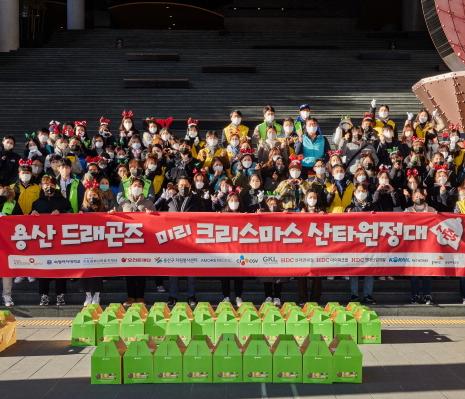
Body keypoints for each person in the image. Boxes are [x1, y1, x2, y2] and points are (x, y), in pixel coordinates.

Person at [31, 175, 72, 306]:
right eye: (45, 184)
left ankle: (60, 295)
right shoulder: (36, 203)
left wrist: (61, 212)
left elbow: (72, 214)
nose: (48, 186)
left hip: (60, 241)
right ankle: (44, 295)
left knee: (60, 268)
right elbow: (28, 222)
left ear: (56, 185)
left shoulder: (63, 201)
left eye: (51, 184)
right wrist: (31, 215)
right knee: (43, 269)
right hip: (43, 242)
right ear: (42, 186)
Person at [168, 177, 206, 307]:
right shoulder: (170, 199)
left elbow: (204, 215)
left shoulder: (196, 199)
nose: (183, 187)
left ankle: (191, 296)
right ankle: (173, 296)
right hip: (174, 239)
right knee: (173, 270)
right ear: (177, 186)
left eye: (186, 185)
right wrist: (162, 198)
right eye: (181, 185)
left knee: (191, 270)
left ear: (190, 186)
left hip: (191, 239)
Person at [119, 177, 154, 305]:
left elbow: (157, 221)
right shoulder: (124, 203)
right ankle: (130, 296)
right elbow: (117, 220)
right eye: (135, 185)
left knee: (141, 271)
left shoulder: (148, 203)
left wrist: (152, 215)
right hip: (128, 243)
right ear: (130, 187)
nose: (137, 187)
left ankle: (140, 297)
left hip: (143, 242)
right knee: (129, 272)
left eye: (139, 185)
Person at [405, 188, 436, 305]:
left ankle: (427, 295)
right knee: (414, 273)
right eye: (416, 196)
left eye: (420, 195)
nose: (418, 197)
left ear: (424, 196)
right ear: (412, 198)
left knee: (427, 271)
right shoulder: (407, 210)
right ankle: (415, 295)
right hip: (413, 247)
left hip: (428, 247)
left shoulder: (432, 210)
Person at [347, 183, 376, 304]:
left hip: (369, 242)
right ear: (354, 193)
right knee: (354, 270)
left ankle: (368, 295)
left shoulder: (372, 206)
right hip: (354, 243)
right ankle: (354, 295)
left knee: (369, 270)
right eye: (359, 190)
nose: (361, 193)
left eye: (364, 190)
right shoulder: (350, 207)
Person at [80, 181, 107, 305]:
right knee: (85, 271)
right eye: (90, 195)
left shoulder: (103, 208)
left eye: (94, 195)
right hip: (85, 244)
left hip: (99, 244)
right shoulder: (83, 209)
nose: (92, 198)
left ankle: (97, 295)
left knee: (97, 271)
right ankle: (87, 295)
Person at [219, 190, 244, 306]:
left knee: (239, 275)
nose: (234, 202)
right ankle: (226, 297)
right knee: (225, 275)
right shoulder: (222, 215)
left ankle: (238, 297)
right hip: (226, 249)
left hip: (239, 249)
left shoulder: (243, 214)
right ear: (227, 202)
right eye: (232, 200)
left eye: (236, 200)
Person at [0, 185, 22, 307]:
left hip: (8, 243)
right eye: (4, 191)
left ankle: (7, 296)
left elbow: (22, 220)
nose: (6, 193)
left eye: (9, 191)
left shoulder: (14, 204)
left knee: (6, 271)